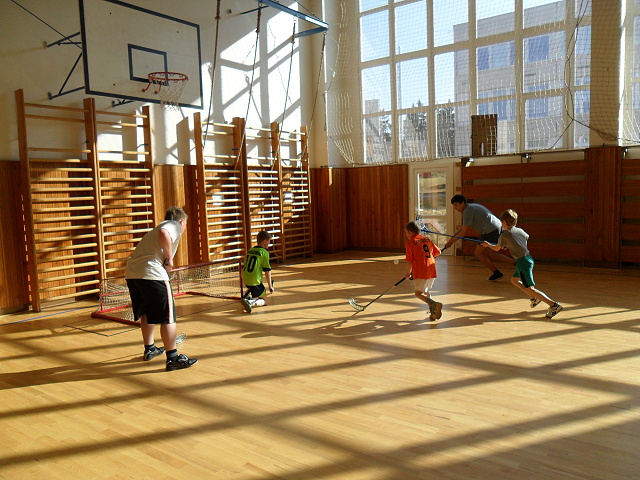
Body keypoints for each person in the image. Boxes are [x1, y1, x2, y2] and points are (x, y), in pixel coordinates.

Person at [125, 206, 197, 371]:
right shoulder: (173, 225)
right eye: (185, 224)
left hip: (133, 274)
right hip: (153, 274)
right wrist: (169, 259)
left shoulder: (154, 230)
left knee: (146, 312)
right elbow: (164, 233)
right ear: (181, 221)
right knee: (168, 317)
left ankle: (150, 348)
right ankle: (173, 358)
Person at [482, 209, 563, 318]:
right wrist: (511, 245)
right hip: (528, 259)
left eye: (501, 222)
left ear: (504, 222)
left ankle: (554, 305)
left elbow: (496, 248)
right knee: (514, 280)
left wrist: (487, 244)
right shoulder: (519, 230)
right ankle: (534, 298)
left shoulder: (505, 235)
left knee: (530, 288)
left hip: (522, 262)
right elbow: (525, 237)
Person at [445, 194, 514, 280]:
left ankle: (497, 272)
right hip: (495, 228)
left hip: (490, 230)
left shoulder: (467, 211)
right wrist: (451, 240)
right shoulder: (470, 207)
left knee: (478, 253)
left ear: (462, 203)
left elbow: (463, 233)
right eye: (454, 206)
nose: (455, 208)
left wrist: (450, 242)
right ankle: (512, 265)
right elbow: (462, 230)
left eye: (456, 205)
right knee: (491, 254)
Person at [404, 221, 443, 321]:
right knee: (425, 292)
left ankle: (434, 304)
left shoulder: (411, 243)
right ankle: (433, 312)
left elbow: (409, 262)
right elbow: (438, 252)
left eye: (406, 232)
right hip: (431, 270)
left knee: (418, 293)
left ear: (410, 232)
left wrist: (408, 274)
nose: (406, 235)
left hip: (421, 271)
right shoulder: (427, 239)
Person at [241, 230, 275, 313]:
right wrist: (270, 286)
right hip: (254, 281)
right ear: (264, 241)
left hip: (245, 278)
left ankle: (247, 296)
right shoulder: (264, 253)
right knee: (265, 300)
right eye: (269, 241)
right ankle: (250, 302)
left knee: (254, 288)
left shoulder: (250, 250)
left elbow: (244, 266)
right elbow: (267, 271)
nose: (269, 243)